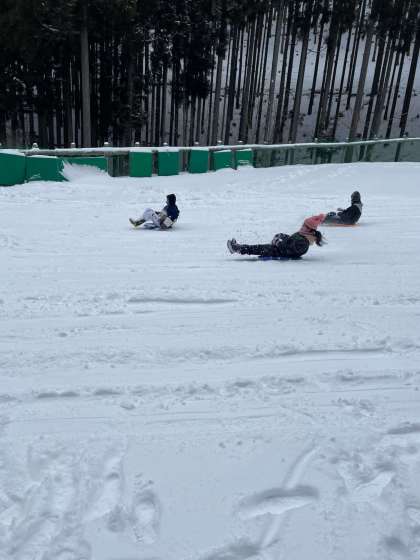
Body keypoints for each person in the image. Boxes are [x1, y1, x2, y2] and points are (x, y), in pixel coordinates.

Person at [227, 214, 326, 259]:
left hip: (278, 253)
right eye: (303, 225)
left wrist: (278, 242)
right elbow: (288, 239)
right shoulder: (301, 235)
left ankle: (237, 248)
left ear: (309, 229)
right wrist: (279, 236)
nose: (302, 227)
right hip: (277, 249)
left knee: (258, 248)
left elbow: (288, 249)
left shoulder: (303, 243)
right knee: (258, 247)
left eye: (304, 226)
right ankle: (238, 248)